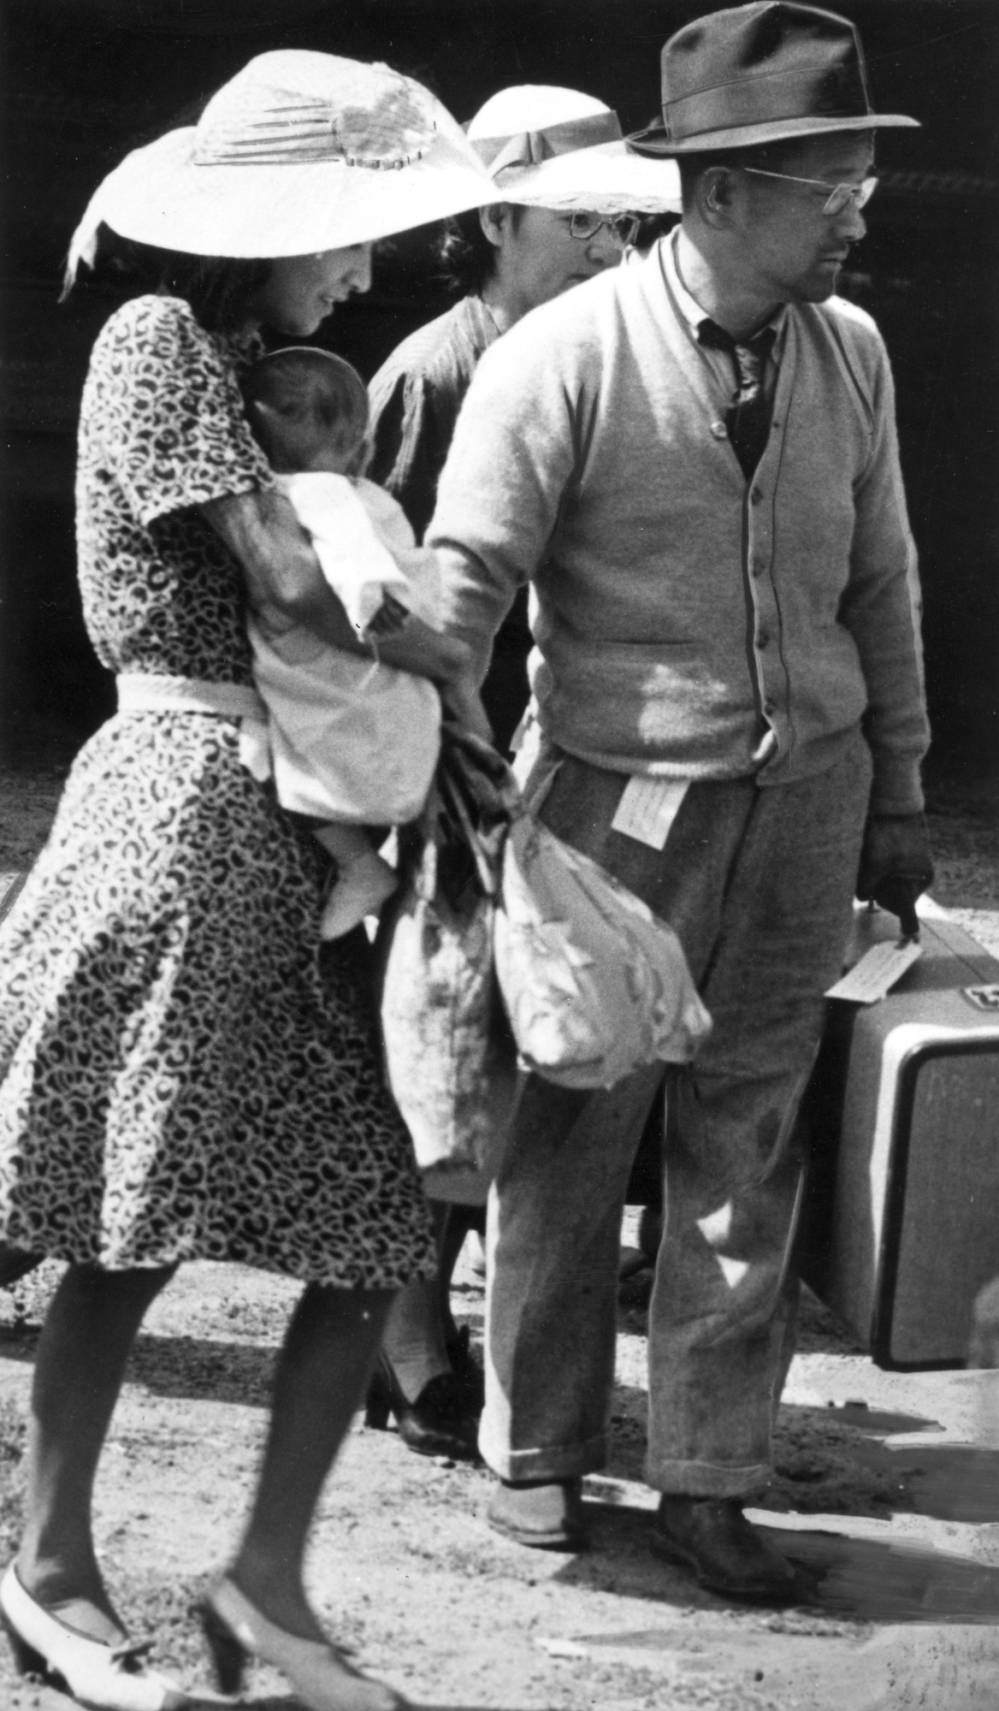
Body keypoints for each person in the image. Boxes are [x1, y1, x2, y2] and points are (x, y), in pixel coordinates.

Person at [0, 50, 492, 1711]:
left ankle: (264, 1589)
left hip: (273, 822)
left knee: (365, 1218)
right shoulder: (160, 347)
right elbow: (291, 582)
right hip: (181, 805)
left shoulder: (248, 366)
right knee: (123, 1212)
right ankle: (51, 1563)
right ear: (267, 221)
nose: (365, 270)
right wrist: (418, 616)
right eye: (349, 235)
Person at [425, 2, 934, 1602]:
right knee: (570, 1136)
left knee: (751, 1135)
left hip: (801, 808)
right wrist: (456, 804)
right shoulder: (556, 358)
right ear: (714, 192)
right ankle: (534, 1452)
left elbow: (881, 582)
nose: (854, 206)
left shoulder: (849, 354)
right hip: (610, 819)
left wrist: (896, 796)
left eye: (859, 172)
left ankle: (705, 1475)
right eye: (822, 178)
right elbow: (462, 592)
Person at [364, 84, 682, 1462]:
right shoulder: (429, 377)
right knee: (425, 1061)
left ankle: (455, 1332)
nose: (612, 245)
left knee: (508, 1056)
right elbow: (364, 605)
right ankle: (406, 1332)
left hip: (522, 782)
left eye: (624, 222)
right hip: (420, 780)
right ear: (493, 221)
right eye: (580, 220)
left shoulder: (596, 359)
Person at [240, 345, 476, 939]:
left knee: (276, 761)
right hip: (380, 658)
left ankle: (360, 865)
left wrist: (370, 596)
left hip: (335, 655)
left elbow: (352, 553)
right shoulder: (361, 492)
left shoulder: (309, 489)